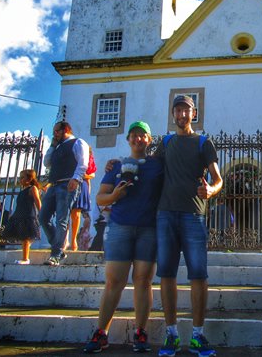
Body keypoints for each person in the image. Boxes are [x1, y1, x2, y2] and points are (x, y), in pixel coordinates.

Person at [84, 121, 163, 354]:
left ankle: (140, 331)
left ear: (149, 140)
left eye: (143, 136)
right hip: (120, 228)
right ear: (128, 139)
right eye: (134, 135)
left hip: (148, 229)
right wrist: (115, 194)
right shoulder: (116, 166)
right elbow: (100, 198)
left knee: (143, 281)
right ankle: (101, 332)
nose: (138, 139)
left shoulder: (158, 166)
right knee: (114, 281)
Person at [155, 95, 223, 357]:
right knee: (167, 274)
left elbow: (218, 179)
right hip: (165, 214)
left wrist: (211, 190)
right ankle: (171, 334)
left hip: (193, 215)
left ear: (194, 114)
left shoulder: (204, 143)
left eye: (186, 110)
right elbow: (151, 171)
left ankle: (197, 335)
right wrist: (118, 164)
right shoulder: (166, 142)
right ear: (173, 114)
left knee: (198, 275)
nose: (182, 114)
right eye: (178, 110)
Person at [39, 121, 89, 266]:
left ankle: (56, 253)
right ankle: (58, 245)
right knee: (43, 217)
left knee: (62, 219)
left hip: (67, 184)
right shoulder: (57, 147)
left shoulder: (78, 142)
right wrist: (52, 146)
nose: (54, 134)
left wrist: (76, 178)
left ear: (65, 130)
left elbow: (82, 163)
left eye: (56, 131)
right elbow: (47, 163)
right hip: (53, 185)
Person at [2, 169, 42, 264]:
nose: (21, 180)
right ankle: (26, 254)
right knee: (23, 237)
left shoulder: (32, 189)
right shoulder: (23, 191)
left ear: (29, 178)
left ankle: (25, 259)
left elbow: (37, 201)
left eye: (23, 177)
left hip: (28, 215)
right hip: (20, 214)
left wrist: (41, 212)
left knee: (25, 237)